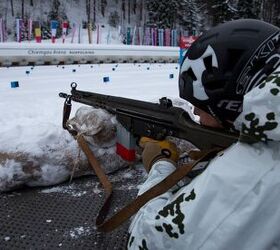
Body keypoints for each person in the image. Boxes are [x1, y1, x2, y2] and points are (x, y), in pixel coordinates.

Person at [127, 19, 280, 250]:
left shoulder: (262, 168)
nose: (197, 117)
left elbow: (147, 240)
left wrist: (160, 165)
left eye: (202, 109)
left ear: (231, 107)